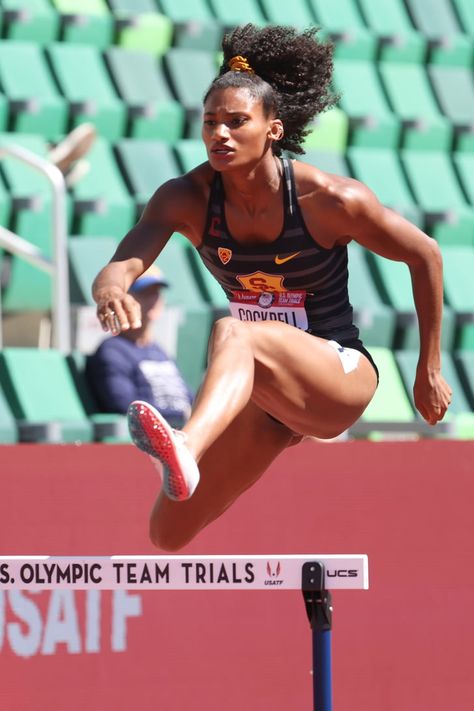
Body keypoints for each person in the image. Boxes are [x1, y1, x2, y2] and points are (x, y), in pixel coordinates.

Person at [91, 24, 452, 551]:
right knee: (166, 534)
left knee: (236, 331)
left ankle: (186, 443)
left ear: (274, 129)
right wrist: (109, 291)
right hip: (268, 396)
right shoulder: (185, 198)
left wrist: (429, 367)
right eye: (210, 123)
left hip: (337, 376)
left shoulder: (330, 199)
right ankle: (187, 458)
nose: (220, 135)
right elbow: (121, 265)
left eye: (237, 123)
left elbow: (425, 253)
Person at [86, 265, 193, 428]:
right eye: (145, 293)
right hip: (151, 439)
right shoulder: (112, 351)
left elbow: (188, 398)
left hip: (184, 432)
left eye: (157, 293)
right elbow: (126, 407)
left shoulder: (159, 351)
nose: (153, 299)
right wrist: (182, 416)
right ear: (127, 299)